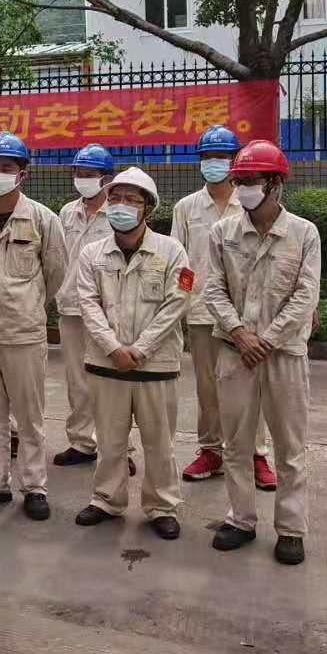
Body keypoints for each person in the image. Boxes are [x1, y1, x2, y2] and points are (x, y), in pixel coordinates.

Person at [202, 140, 321, 566]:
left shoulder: (304, 234)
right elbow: (212, 288)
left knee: (290, 446)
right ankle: (240, 519)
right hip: (235, 352)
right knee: (236, 442)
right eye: (240, 181)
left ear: (275, 184)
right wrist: (239, 333)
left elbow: (306, 295)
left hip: (283, 354)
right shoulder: (222, 233)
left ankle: (290, 529)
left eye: (252, 181)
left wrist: (266, 339)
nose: (244, 189)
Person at [72, 168, 191, 540]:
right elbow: (87, 303)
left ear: (148, 208)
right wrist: (113, 348)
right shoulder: (92, 253)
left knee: (160, 443)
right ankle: (106, 500)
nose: (121, 205)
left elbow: (177, 303)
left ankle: (162, 506)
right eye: (115, 198)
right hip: (106, 364)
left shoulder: (172, 251)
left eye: (131, 199)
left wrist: (139, 349)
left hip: (155, 365)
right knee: (110, 440)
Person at [0, 132, 66, 521]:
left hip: (24, 333)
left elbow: (55, 273)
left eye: (7, 167)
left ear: (22, 173)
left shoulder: (42, 219)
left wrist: (28, 304)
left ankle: (34, 486)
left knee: (30, 414)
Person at [174, 126, 277, 491]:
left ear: (235, 161)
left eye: (221, 157)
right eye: (207, 157)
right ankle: (211, 450)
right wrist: (180, 304)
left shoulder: (252, 203)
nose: (213, 163)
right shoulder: (186, 208)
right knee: (207, 388)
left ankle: (255, 454)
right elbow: (180, 264)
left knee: (250, 387)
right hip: (202, 312)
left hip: (246, 317)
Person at [51, 143, 115, 469]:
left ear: (106, 179)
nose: (83, 179)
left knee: (111, 381)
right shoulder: (67, 212)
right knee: (77, 380)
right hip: (71, 307)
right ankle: (81, 442)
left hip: (108, 310)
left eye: (90, 174)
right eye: (79, 173)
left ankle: (118, 449)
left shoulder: (116, 213)